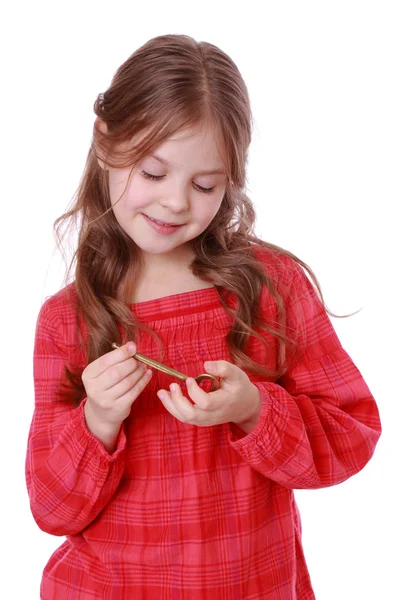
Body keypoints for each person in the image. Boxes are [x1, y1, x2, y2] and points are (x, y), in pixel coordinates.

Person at [25, 33, 381, 600]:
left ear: (232, 179)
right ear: (105, 141)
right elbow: (51, 509)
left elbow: (353, 434)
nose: (174, 202)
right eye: (152, 173)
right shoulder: (68, 319)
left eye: (205, 184)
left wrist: (256, 410)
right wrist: (96, 421)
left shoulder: (271, 289)